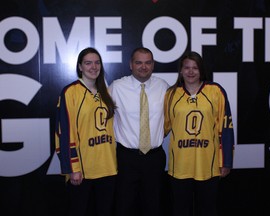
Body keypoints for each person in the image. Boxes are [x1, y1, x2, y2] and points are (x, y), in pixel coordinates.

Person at [164, 51, 235, 216]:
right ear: (181, 70)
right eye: (186, 67)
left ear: (201, 70)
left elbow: (225, 127)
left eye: (195, 68)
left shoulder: (216, 91)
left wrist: (226, 161)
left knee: (208, 209)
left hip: (208, 165)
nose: (190, 71)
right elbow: (163, 126)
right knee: (180, 209)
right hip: (180, 165)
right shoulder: (171, 94)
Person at [54, 47, 117, 216]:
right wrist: (73, 168)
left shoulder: (106, 92)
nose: (93, 67)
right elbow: (65, 133)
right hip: (83, 171)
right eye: (88, 63)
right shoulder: (70, 92)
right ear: (80, 67)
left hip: (108, 167)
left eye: (97, 63)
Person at [108, 47, 169, 216]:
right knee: (124, 206)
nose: (143, 67)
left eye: (148, 62)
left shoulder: (163, 87)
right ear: (130, 65)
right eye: (139, 62)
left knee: (153, 206)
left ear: (153, 64)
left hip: (154, 158)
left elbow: (173, 117)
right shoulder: (117, 87)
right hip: (126, 159)